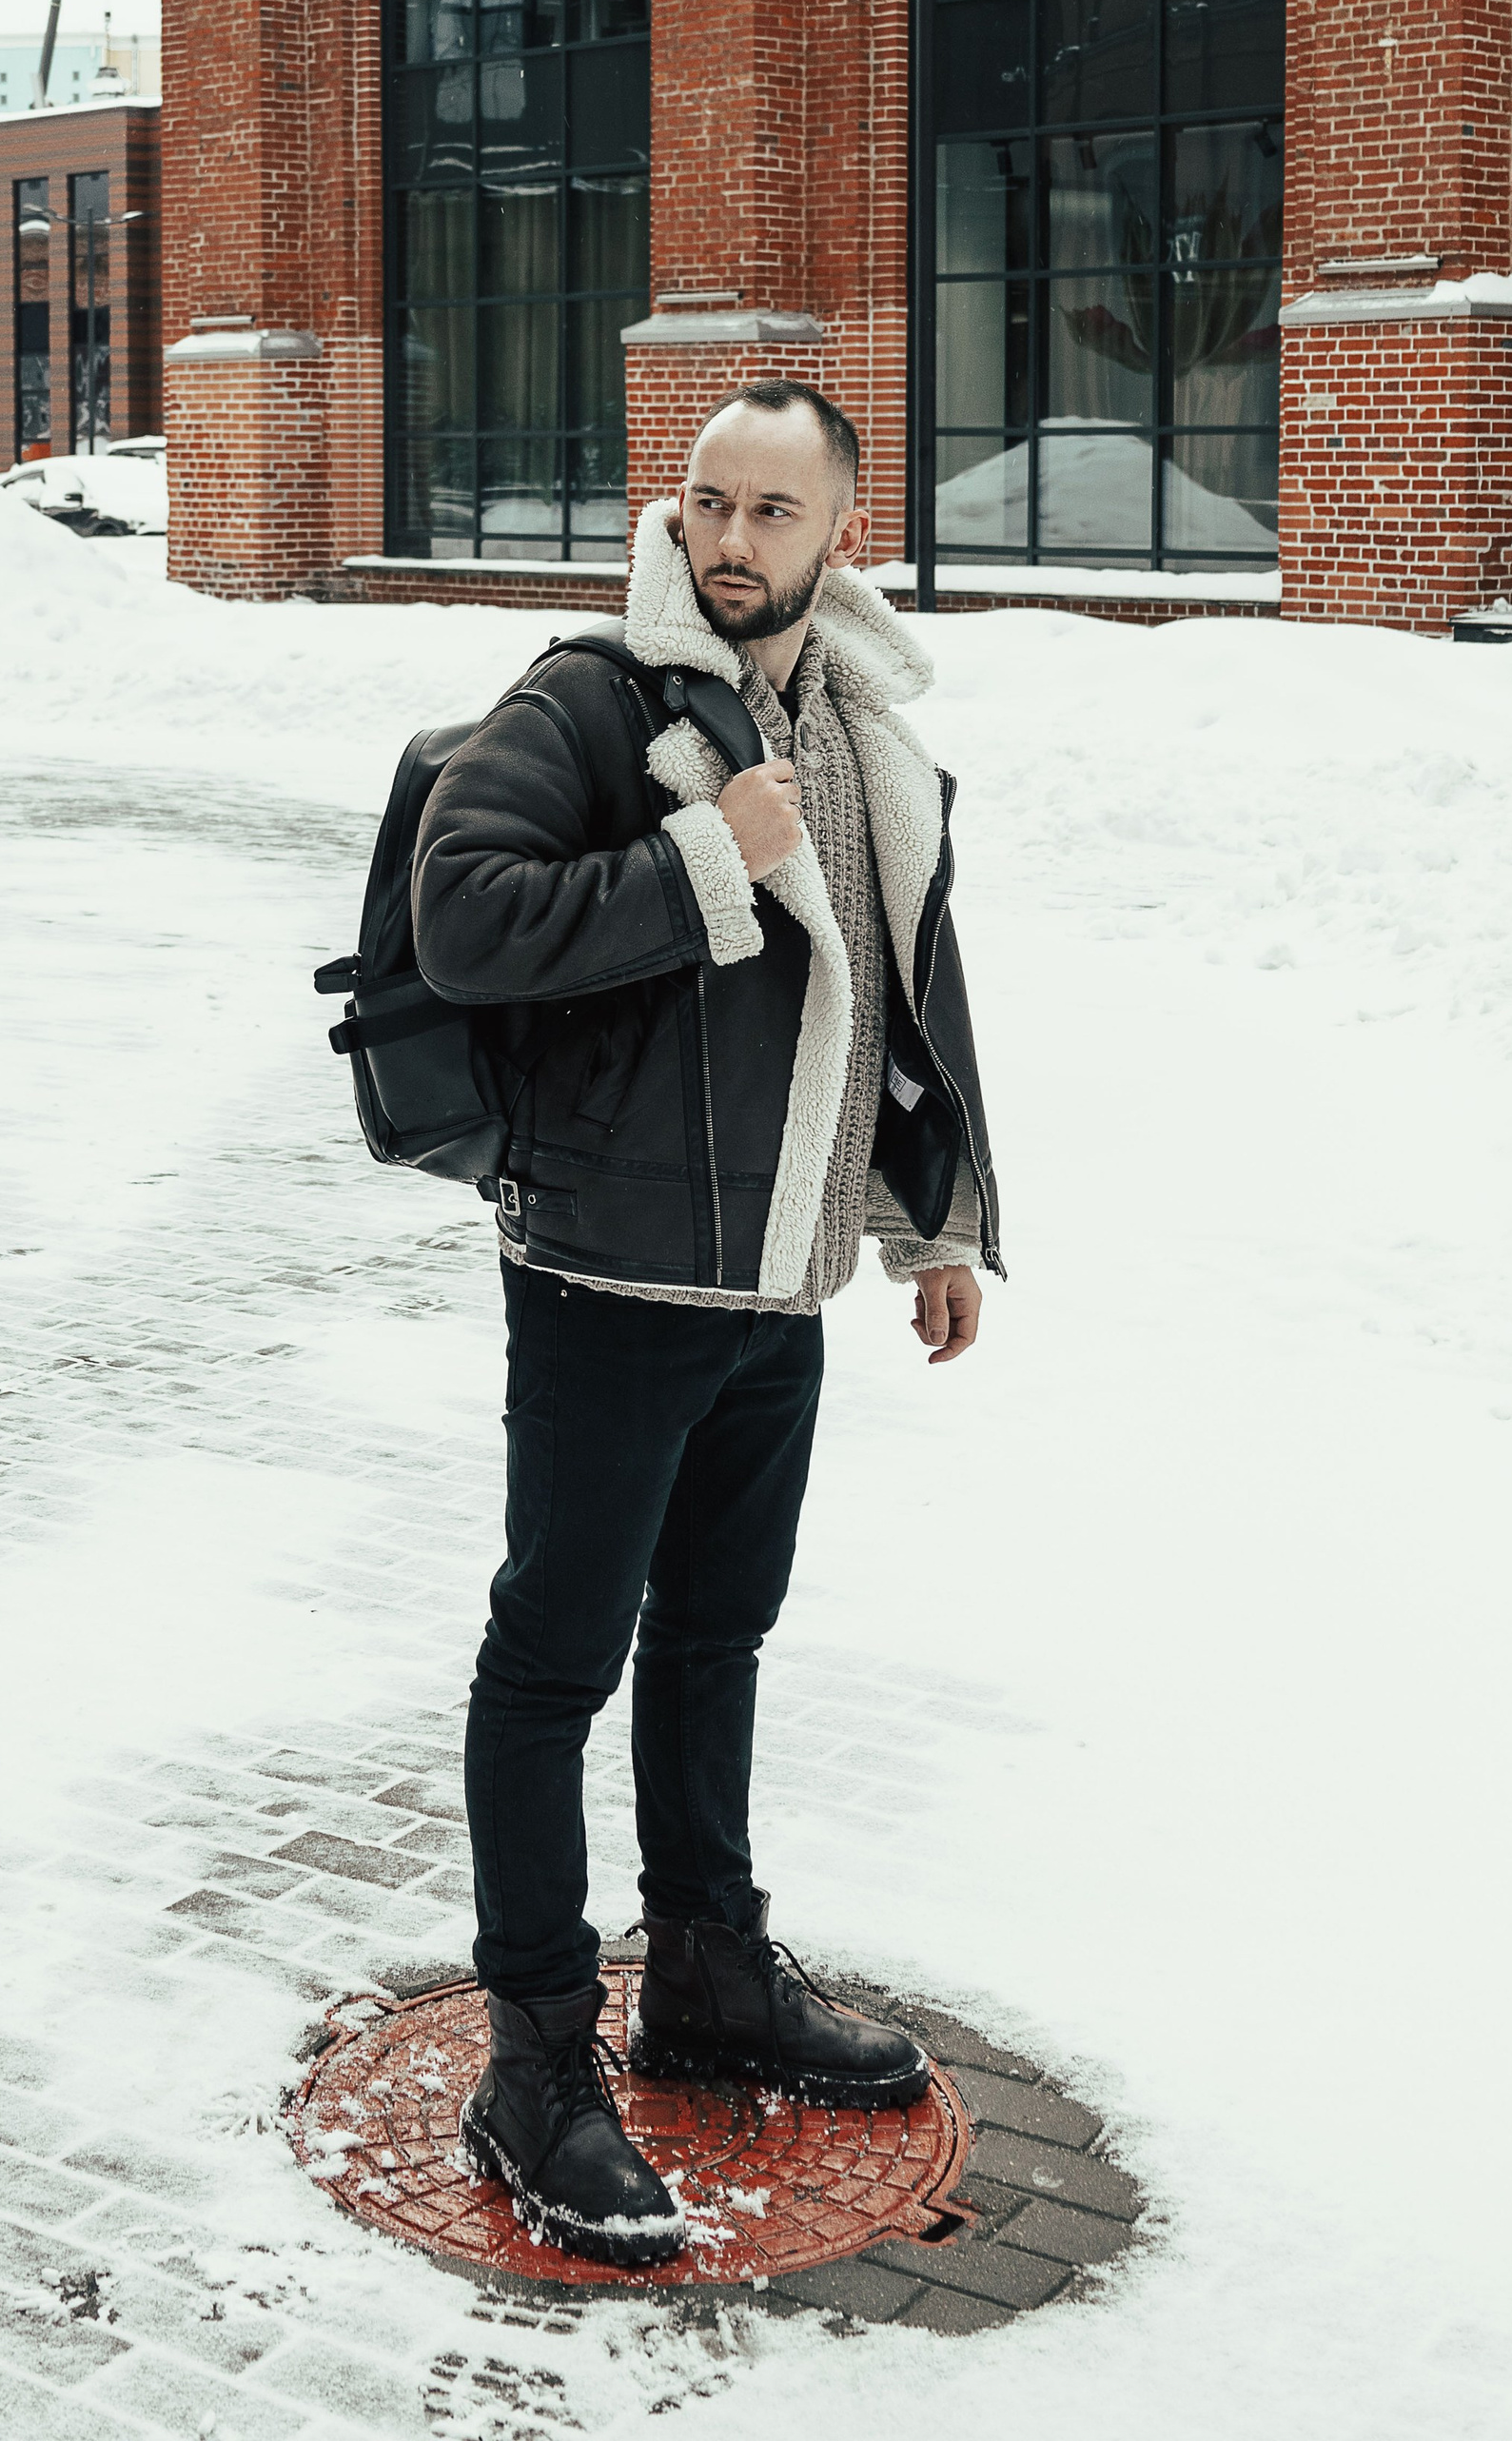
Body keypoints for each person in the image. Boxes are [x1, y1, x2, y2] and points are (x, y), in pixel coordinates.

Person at [411, 378, 1003, 2267]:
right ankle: (532, 2065)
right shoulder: (588, 699)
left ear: (841, 533)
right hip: (604, 1279)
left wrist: (932, 1221)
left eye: (773, 510)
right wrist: (693, 861)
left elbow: (905, 990)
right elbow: (466, 919)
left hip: (775, 1286)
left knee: (716, 1639)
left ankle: (707, 1977)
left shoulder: (857, 729)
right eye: (706, 501)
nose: (732, 539)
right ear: (670, 511)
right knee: (550, 1665)